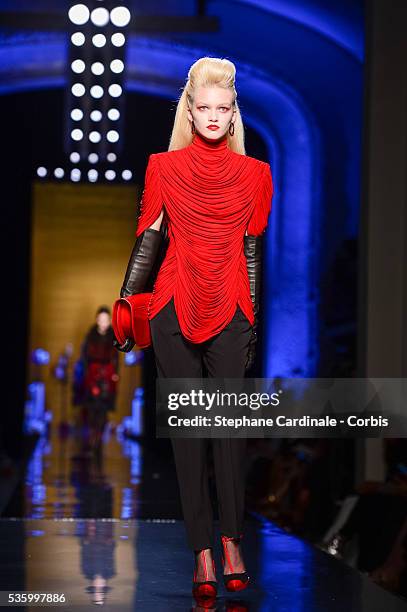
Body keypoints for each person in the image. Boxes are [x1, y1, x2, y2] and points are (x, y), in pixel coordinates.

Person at [114, 57, 274, 602]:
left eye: (221, 108)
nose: (211, 116)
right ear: (190, 108)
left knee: (228, 433)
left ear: (233, 115)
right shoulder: (163, 165)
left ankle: (232, 540)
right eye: (202, 107)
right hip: (172, 305)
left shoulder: (256, 174)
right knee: (187, 437)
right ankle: (202, 551)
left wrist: (252, 317)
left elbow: (252, 248)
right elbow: (150, 237)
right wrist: (125, 300)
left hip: (229, 305)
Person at [80, 306, 119, 454]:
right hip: (92, 374)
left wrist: (115, 373)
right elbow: (84, 357)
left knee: (103, 408)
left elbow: (116, 358)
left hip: (107, 375)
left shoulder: (113, 336)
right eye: (101, 319)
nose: (103, 322)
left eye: (106, 319)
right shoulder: (90, 336)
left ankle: (99, 438)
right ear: (97, 320)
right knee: (92, 408)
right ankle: (92, 438)